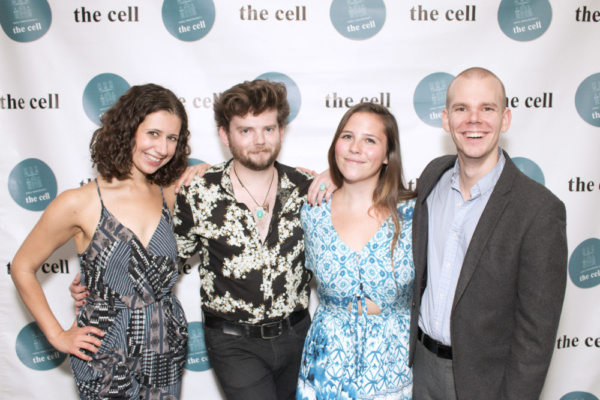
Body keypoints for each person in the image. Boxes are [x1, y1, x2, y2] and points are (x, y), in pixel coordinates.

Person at [11, 84, 191, 400]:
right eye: (153, 133)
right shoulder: (79, 202)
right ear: (127, 130)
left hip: (166, 343)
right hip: (106, 349)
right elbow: (22, 267)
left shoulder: (169, 194)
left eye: (172, 138)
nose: (162, 148)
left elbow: (240, 176)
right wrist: (56, 335)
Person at [409, 67, 568, 399]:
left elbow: (536, 338)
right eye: (462, 108)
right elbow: (378, 195)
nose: (474, 120)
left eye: (487, 108)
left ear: (505, 119)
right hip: (420, 369)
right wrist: (334, 175)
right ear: (446, 119)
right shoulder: (432, 178)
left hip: (483, 383)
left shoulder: (539, 211)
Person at [173, 79, 330, 400]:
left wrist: (336, 175)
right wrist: (109, 284)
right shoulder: (199, 192)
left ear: (281, 131)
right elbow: (166, 262)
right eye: (246, 130)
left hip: (298, 335)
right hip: (233, 342)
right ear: (224, 135)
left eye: (268, 129)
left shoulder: (308, 188)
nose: (259, 140)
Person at [297, 102, 416, 399]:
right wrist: (203, 170)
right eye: (347, 136)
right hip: (326, 368)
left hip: (393, 366)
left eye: (370, 140)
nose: (355, 147)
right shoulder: (311, 211)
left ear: (388, 155)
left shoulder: (414, 213)